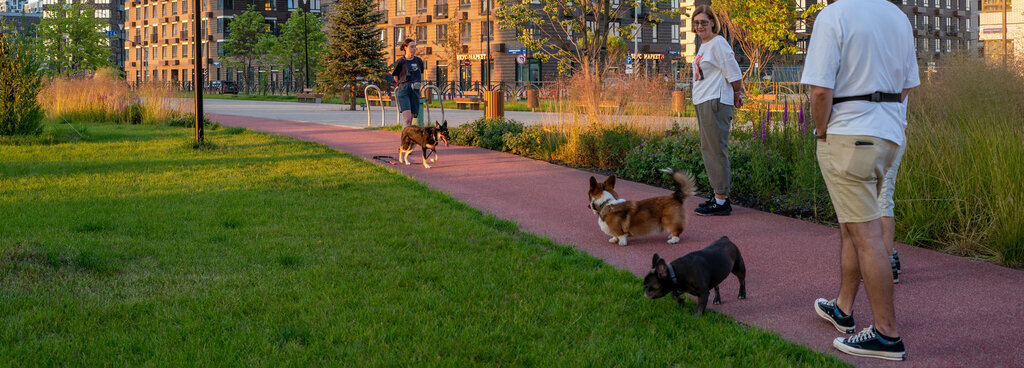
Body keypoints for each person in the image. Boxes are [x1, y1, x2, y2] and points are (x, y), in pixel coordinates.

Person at [800, 0, 918, 361]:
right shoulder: (898, 17)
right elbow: (906, 87)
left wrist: (822, 131)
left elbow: (820, 91)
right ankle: (843, 307)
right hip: (888, 134)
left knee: (866, 236)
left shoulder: (835, 15)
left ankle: (886, 335)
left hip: (849, 133)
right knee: (856, 227)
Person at [689, 5, 743, 216]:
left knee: (715, 149)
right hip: (704, 101)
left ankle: (721, 200)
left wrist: (737, 95)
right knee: (708, 148)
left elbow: (734, 74)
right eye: (696, 22)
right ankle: (718, 195)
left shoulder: (718, 43)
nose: (699, 26)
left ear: (713, 22)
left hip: (715, 101)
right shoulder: (704, 45)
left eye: (703, 22)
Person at [392, 39, 424, 127]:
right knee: (407, 119)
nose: (414, 49)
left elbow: (420, 74)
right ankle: (404, 139)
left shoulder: (419, 61)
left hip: (415, 90)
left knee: (411, 119)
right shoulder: (400, 62)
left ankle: (408, 139)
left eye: (415, 47)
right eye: (412, 47)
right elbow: (395, 77)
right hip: (404, 90)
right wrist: (402, 84)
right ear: (405, 47)